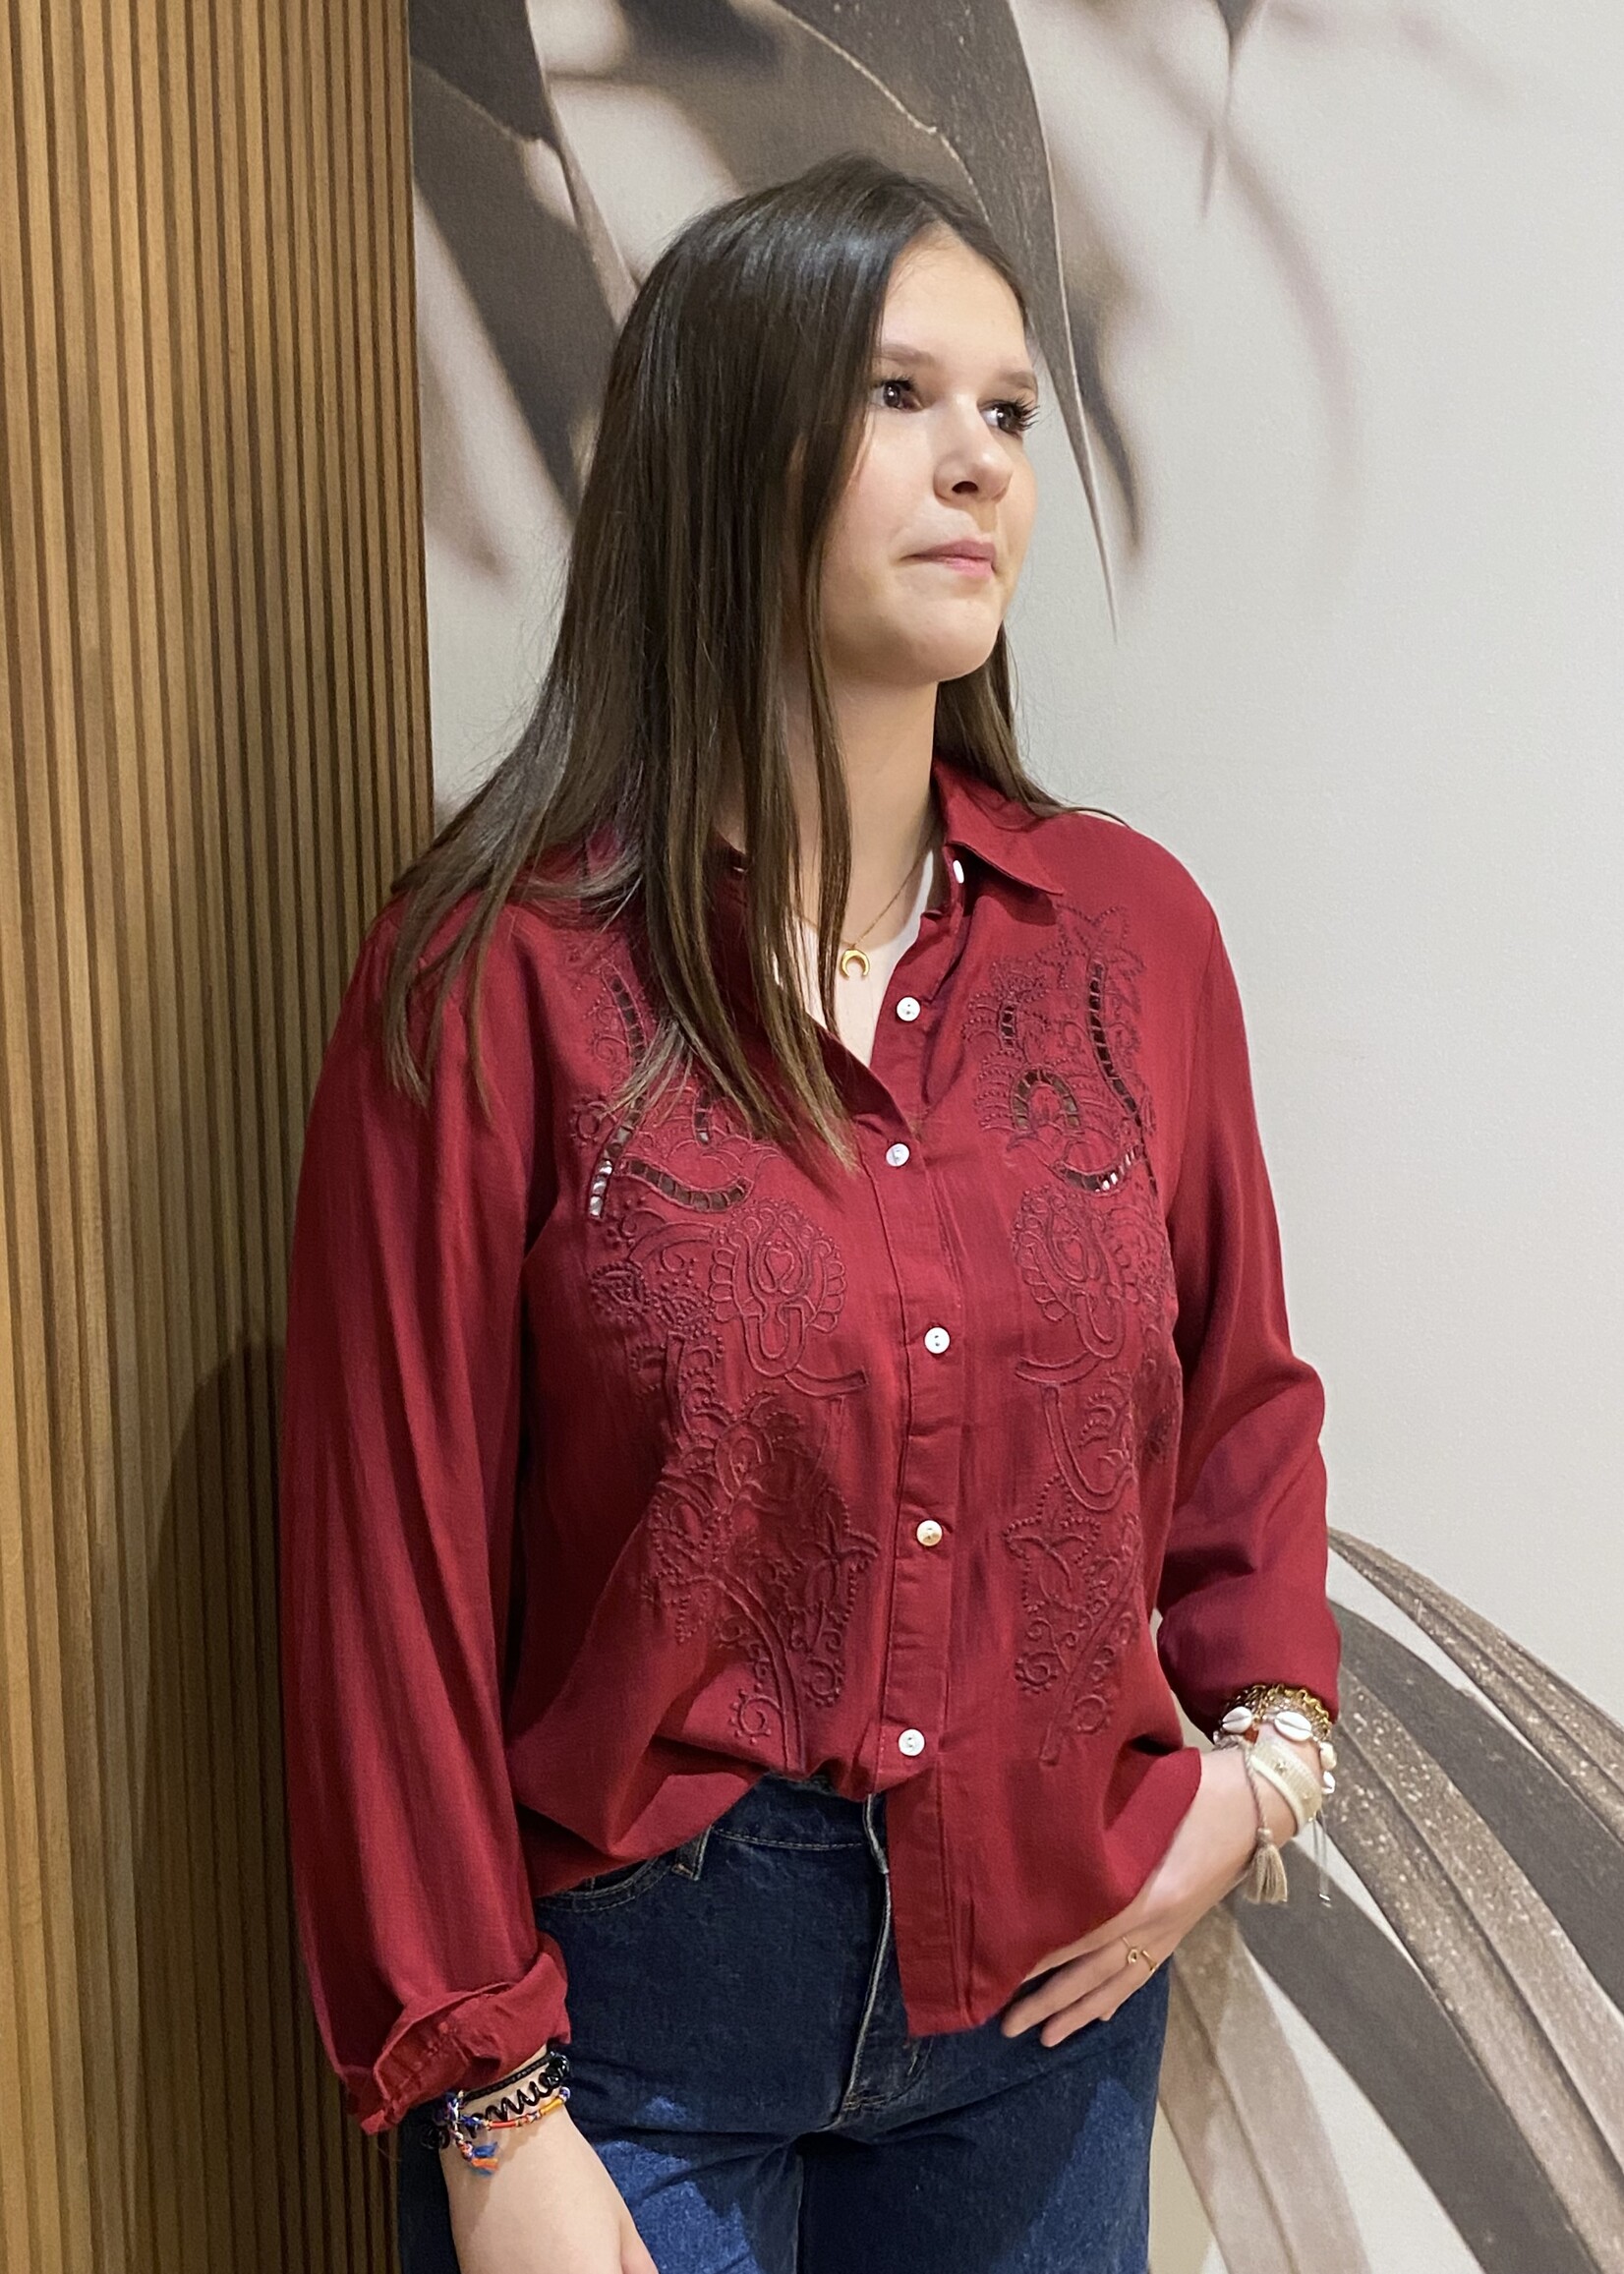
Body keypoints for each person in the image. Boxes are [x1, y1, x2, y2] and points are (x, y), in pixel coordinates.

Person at [277, 152, 1341, 2274]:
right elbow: (385, 1573)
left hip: (1042, 2023)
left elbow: (1239, 1406)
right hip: (632, 2034)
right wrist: (491, 2101)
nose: (982, 463)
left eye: (1009, 410)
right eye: (898, 396)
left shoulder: (1129, 939)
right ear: (726, 446)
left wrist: (1259, 1773)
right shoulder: (495, 976)